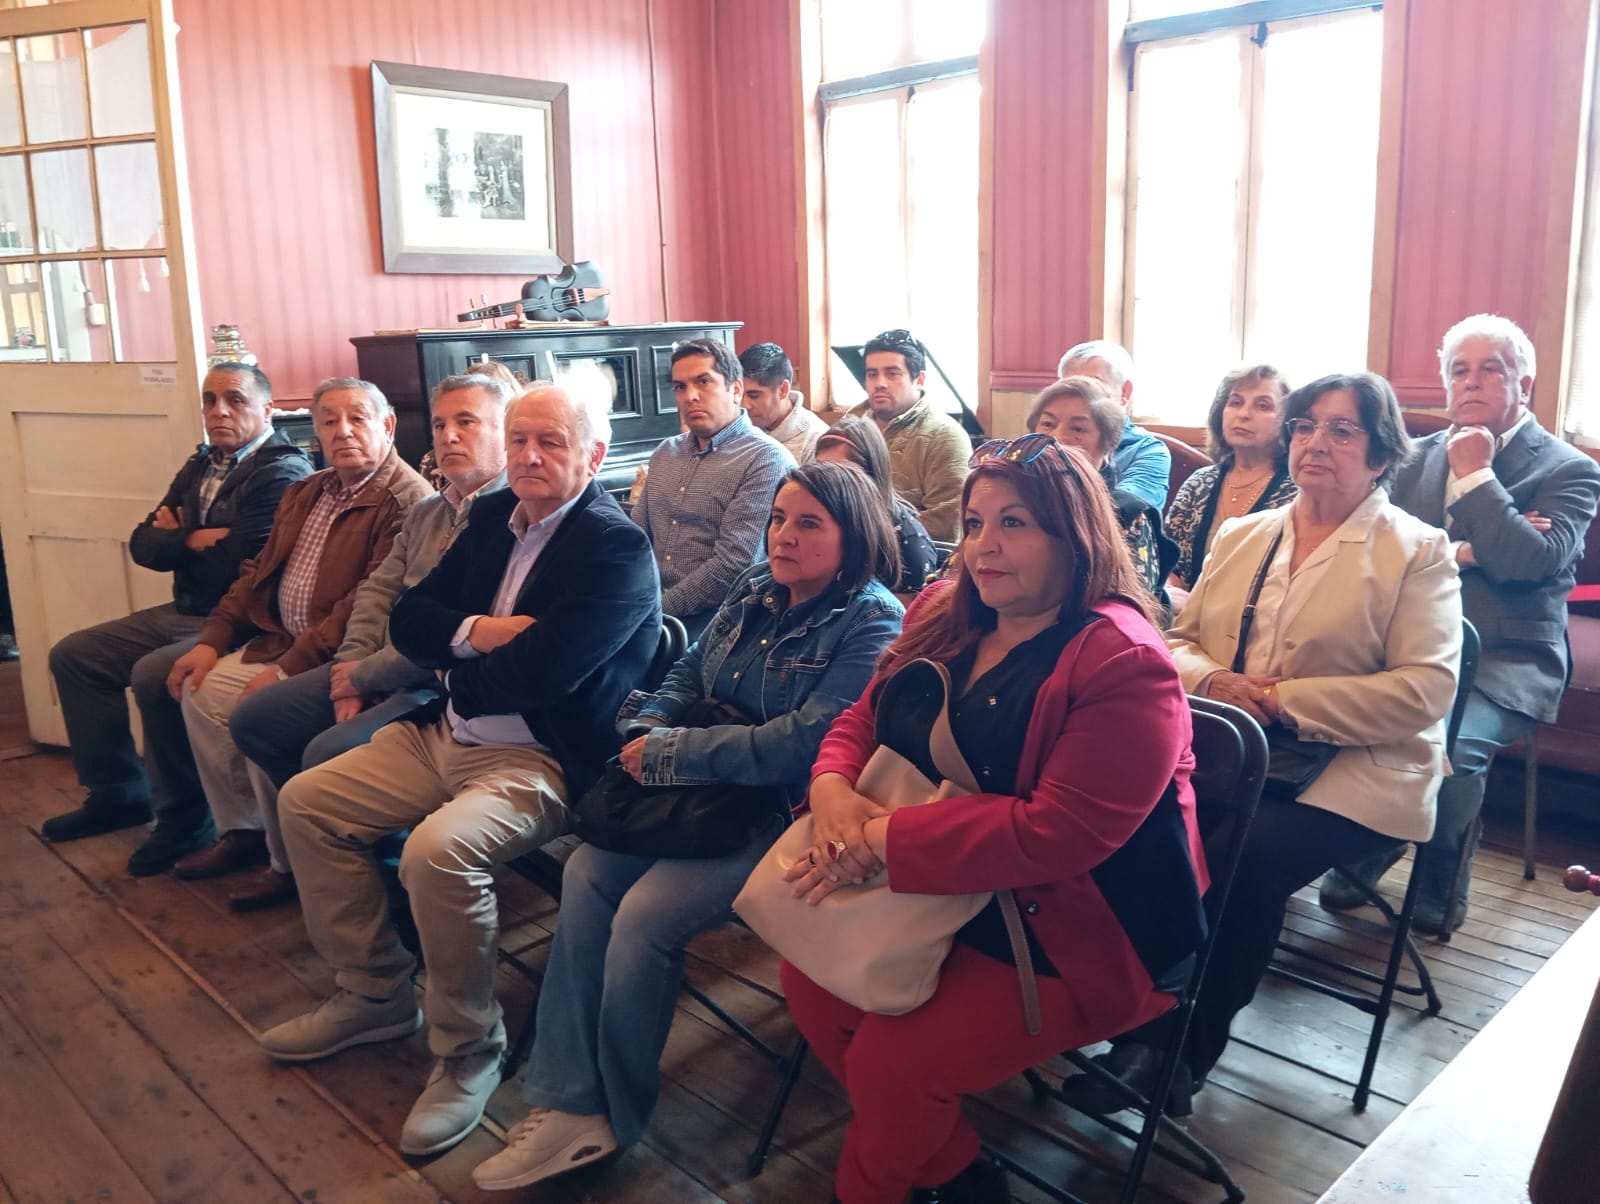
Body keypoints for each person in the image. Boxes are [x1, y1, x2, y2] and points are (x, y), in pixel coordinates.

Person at [777, 435, 1208, 1204]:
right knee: (809, 978)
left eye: (1015, 523)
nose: (984, 545)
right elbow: (861, 719)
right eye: (975, 523)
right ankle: (958, 1168)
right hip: (938, 883)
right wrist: (835, 792)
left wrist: (873, 842)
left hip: (1076, 922)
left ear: (1074, 535)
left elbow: (1058, 834)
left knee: (892, 1063)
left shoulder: (1124, 663)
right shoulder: (947, 610)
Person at [471, 462, 905, 1192]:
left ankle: (614, 1113)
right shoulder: (755, 588)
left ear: (853, 537)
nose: (784, 536)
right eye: (778, 518)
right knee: (583, 874)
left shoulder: (872, 618)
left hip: (780, 813)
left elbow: (804, 743)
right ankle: (569, 1099)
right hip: (695, 798)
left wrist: (672, 753)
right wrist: (646, 725)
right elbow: (686, 676)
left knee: (644, 916)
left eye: (809, 524)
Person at [259, 384, 661, 1160]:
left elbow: (546, 677)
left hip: (537, 756)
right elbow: (412, 619)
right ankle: (374, 992)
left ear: (594, 456)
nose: (529, 457)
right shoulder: (486, 518)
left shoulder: (615, 549)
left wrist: (451, 668)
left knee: (434, 853)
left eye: (549, 442)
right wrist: (479, 630)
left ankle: (467, 1052)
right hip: (444, 735)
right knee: (308, 801)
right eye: (518, 442)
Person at [1061, 372, 1462, 1115]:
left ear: (1380, 455)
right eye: (1307, 425)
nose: (1317, 442)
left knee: (1244, 858)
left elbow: (1423, 692)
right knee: (1133, 828)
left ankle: (1178, 1054)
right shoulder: (1245, 534)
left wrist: (1283, 700)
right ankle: (1129, 1022)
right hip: (1235, 756)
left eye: (1344, 431)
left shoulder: (1418, 551)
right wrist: (1214, 680)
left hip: (1359, 766)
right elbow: (1173, 642)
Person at [1322, 315, 1600, 934]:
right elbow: (1377, 548)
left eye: (1490, 369)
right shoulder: (1410, 459)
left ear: (1523, 383)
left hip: (1506, 659)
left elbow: (1530, 563)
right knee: (1328, 710)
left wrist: (1475, 475)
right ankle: (1377, 843)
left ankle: (1441, 874)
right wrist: (1474, 548)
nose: (1471, 382)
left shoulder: (1568, 469)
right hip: (1403, 644)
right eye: (1459, 370)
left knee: (1450, 747)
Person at [222, 373, 513, 912]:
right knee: (255, 719)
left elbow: (452, 634)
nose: (448, 436)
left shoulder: (511, 515)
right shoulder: (431, 510)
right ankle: (337, 856)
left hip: (437, 685)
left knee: (324, 753)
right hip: (376, 663)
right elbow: (376, 593)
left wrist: (366, 676)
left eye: (466, 423)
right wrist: (351, 666)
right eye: (442, 424)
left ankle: (378, 879)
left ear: (504, 431)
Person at [161, 379, 431, 883]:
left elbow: (362, 606)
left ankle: (288, 863)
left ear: (387, 425)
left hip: (335, 654)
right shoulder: (307, 490)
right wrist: (210, 641)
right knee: (198, 689)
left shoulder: (406, 500)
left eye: (357, 418)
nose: (342, 431)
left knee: (258, 713)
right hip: (279, 638)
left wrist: (285, 672)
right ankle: (245, 833)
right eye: (329, 421)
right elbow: (255, 572)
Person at [40, 363, 312, 854]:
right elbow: (143, 545)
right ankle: (118, 793)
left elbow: (238, 567)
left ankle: (187, 821)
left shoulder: (283, 471)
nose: (218, 411)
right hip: (182, 608)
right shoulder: (202, 463)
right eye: (210, 400)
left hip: (242, 620)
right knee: (75, 655)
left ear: (268, 409)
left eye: (235, 400)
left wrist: (177, 539)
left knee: (152, 675)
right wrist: (194, 538)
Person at [632, 338, 795, 639]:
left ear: (736, 390)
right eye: (680, 387)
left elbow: (734, 566)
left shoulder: (766, 459)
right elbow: (635, 538)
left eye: (703, 382)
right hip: (644, 608)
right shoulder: (666, 452)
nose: (690, 396)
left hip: (717, 624)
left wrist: (653, 612)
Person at [1027, 375, 1177, 599]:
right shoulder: (1011, 499)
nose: (1057, 438)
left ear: (1107, 444)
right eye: (1048, 424)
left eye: (1078, 429)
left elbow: (1136, 606)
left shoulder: (1127, 514)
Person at [1163, 365, 1297, 611]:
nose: (1244, 414)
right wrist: (1170, 592)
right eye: (1235, 402)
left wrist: (1200, 607)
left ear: (1288, 421)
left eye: (1263, 405)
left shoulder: (1297, 491)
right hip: (1183, 625)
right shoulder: (1199, 482)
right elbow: (1168, 558)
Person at [849, 328, 971, 543]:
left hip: (911, 563)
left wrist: (864, 534)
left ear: (920, 379)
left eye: (892, 373)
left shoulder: (944, 436)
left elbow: (946, 526)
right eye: (872, 374)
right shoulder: (848, 426)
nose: (880, 383)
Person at [814, 415, 940, 594]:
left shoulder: (908, 542)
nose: (828, 482)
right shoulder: (817, 523)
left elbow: (909, 618)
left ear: (871, 475)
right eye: (820, 471)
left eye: (843, 472)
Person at [1057, 339, 1171, 510]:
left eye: (1094, 385)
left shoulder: (1148, 451)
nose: (1078, 399)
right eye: (1070, 388)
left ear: (1125, 392)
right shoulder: (1051, 440)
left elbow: (1122, 511)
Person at [740, 341, 826, 461]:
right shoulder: (739, 428)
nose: (744, 405)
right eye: (739, 394)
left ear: (783, 390)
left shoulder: (817, 442)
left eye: (754, 395)